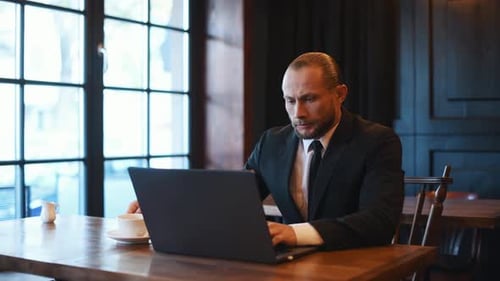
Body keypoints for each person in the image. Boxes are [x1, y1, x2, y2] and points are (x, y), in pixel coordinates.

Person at [128, 52, 404, 251]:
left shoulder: (377, 141)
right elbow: (232, 200)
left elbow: (378, 222)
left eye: (309, 99)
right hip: (292, 265)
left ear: (340, 94)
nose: (299, 113)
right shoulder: (271, 143)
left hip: (357, 265)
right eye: (290, 100)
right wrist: (163, 208)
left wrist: (294, 234)